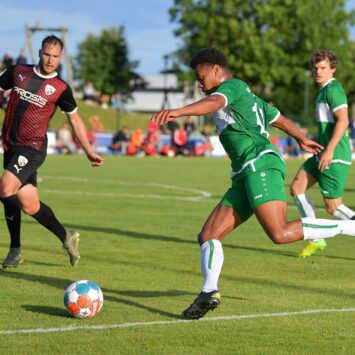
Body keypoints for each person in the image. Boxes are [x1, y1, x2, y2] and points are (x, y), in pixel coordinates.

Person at [151, 48, 355, 320]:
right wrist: (299, 138)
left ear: (216, 70)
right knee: (209, 235)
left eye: (201, 77)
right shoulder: (249, 97)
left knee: (279, 233)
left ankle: (348, 226)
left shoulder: (231, 87)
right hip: (244, 173)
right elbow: (278, 118)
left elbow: (214, 103)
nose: (199, 84)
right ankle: (208, 292)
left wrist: (178, 112)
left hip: (260, 163)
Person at [0, 35, 104, 268]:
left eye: (55, 56)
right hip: (11, 146)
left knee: (5, 189)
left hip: (33, 147)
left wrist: (88, 150)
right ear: (39, 52)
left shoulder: (60, 88)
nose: (50, 60)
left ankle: (15, 250)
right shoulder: (18, 72)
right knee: (29, 204)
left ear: (61, 57)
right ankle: (67, 236)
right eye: (47, 54)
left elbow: (75, 121)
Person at [290, 50, 355, 258]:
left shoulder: (333, 90)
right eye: (316, 68)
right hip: (323, 152)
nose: (318, 71)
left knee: (333, 206)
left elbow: (343, 121)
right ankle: (316, 239)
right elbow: (327, 125)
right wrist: (317, 141)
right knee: (297, 188)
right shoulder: (322, 91)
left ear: (332, 69)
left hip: (334, 155)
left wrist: (329, 149)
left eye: (323, 68)